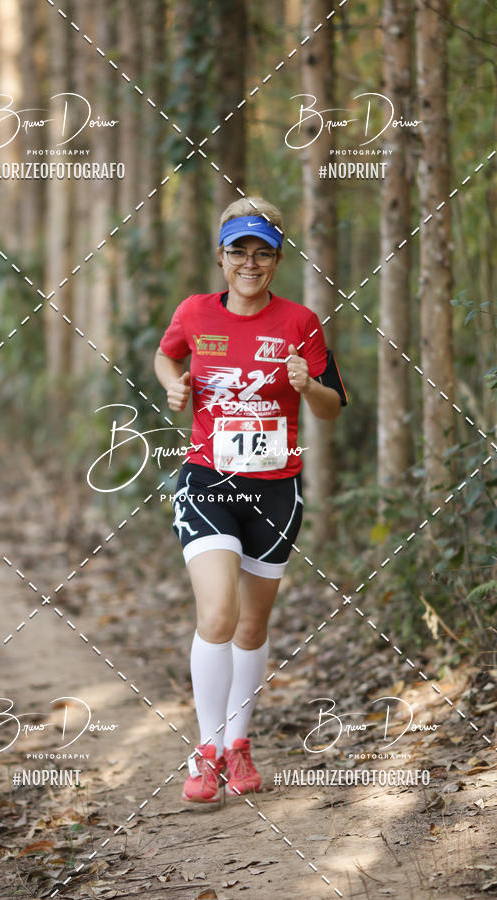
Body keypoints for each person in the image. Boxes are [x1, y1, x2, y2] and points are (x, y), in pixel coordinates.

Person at [154, 197, 347, 806]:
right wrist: (174, 385)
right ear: (220, 256)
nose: (249, 262)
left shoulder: (301, 322)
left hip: (275, 489)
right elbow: (166, 353)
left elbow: (333, 405)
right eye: (238, 250)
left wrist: (306, 385)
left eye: (262, 252)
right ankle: (206, 750)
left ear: (277, 260)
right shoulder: (194, 313)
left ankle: (239, 742)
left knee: (254, 623)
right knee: (217, 615)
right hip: (208, 480)